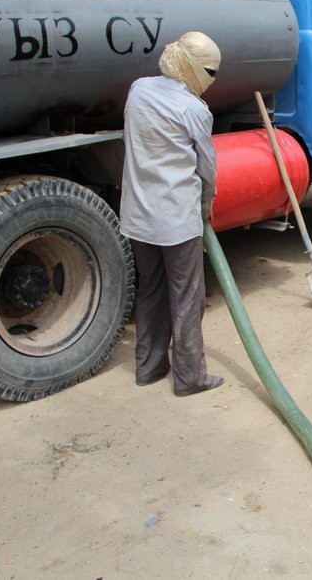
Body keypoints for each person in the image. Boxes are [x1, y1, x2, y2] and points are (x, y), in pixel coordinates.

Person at [119, 31, 225, 397]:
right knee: (187, 297)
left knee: (151, 289)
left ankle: (148, 368)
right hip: (177, 219)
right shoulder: (194, 109)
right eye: (210, 71)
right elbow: (207, 168)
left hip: (138, 215)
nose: (212, 80)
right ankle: (190, 377)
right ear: (193, 67)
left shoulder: (138, 90)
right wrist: (206, 205)